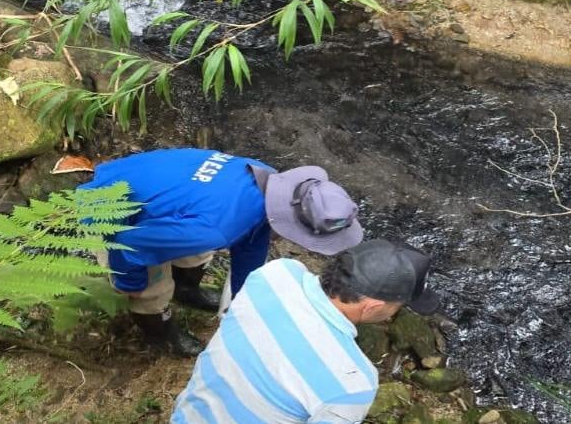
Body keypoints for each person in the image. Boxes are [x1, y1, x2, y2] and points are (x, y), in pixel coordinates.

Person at [79, 148, 365, 356]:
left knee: (197, 251)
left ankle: (186, 291)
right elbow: (132, 246)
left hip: (166, 194)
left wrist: (242, 300)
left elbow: (253, 237)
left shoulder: (268, 181)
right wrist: (130, 285)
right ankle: (161, 336)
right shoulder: (217, 228)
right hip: (110, 208)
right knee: (151, 290)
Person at [171, 239, 440, 423]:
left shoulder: (275, 274)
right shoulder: (353, 383)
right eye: (399, 305)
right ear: (371, 308)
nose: (396, 312)